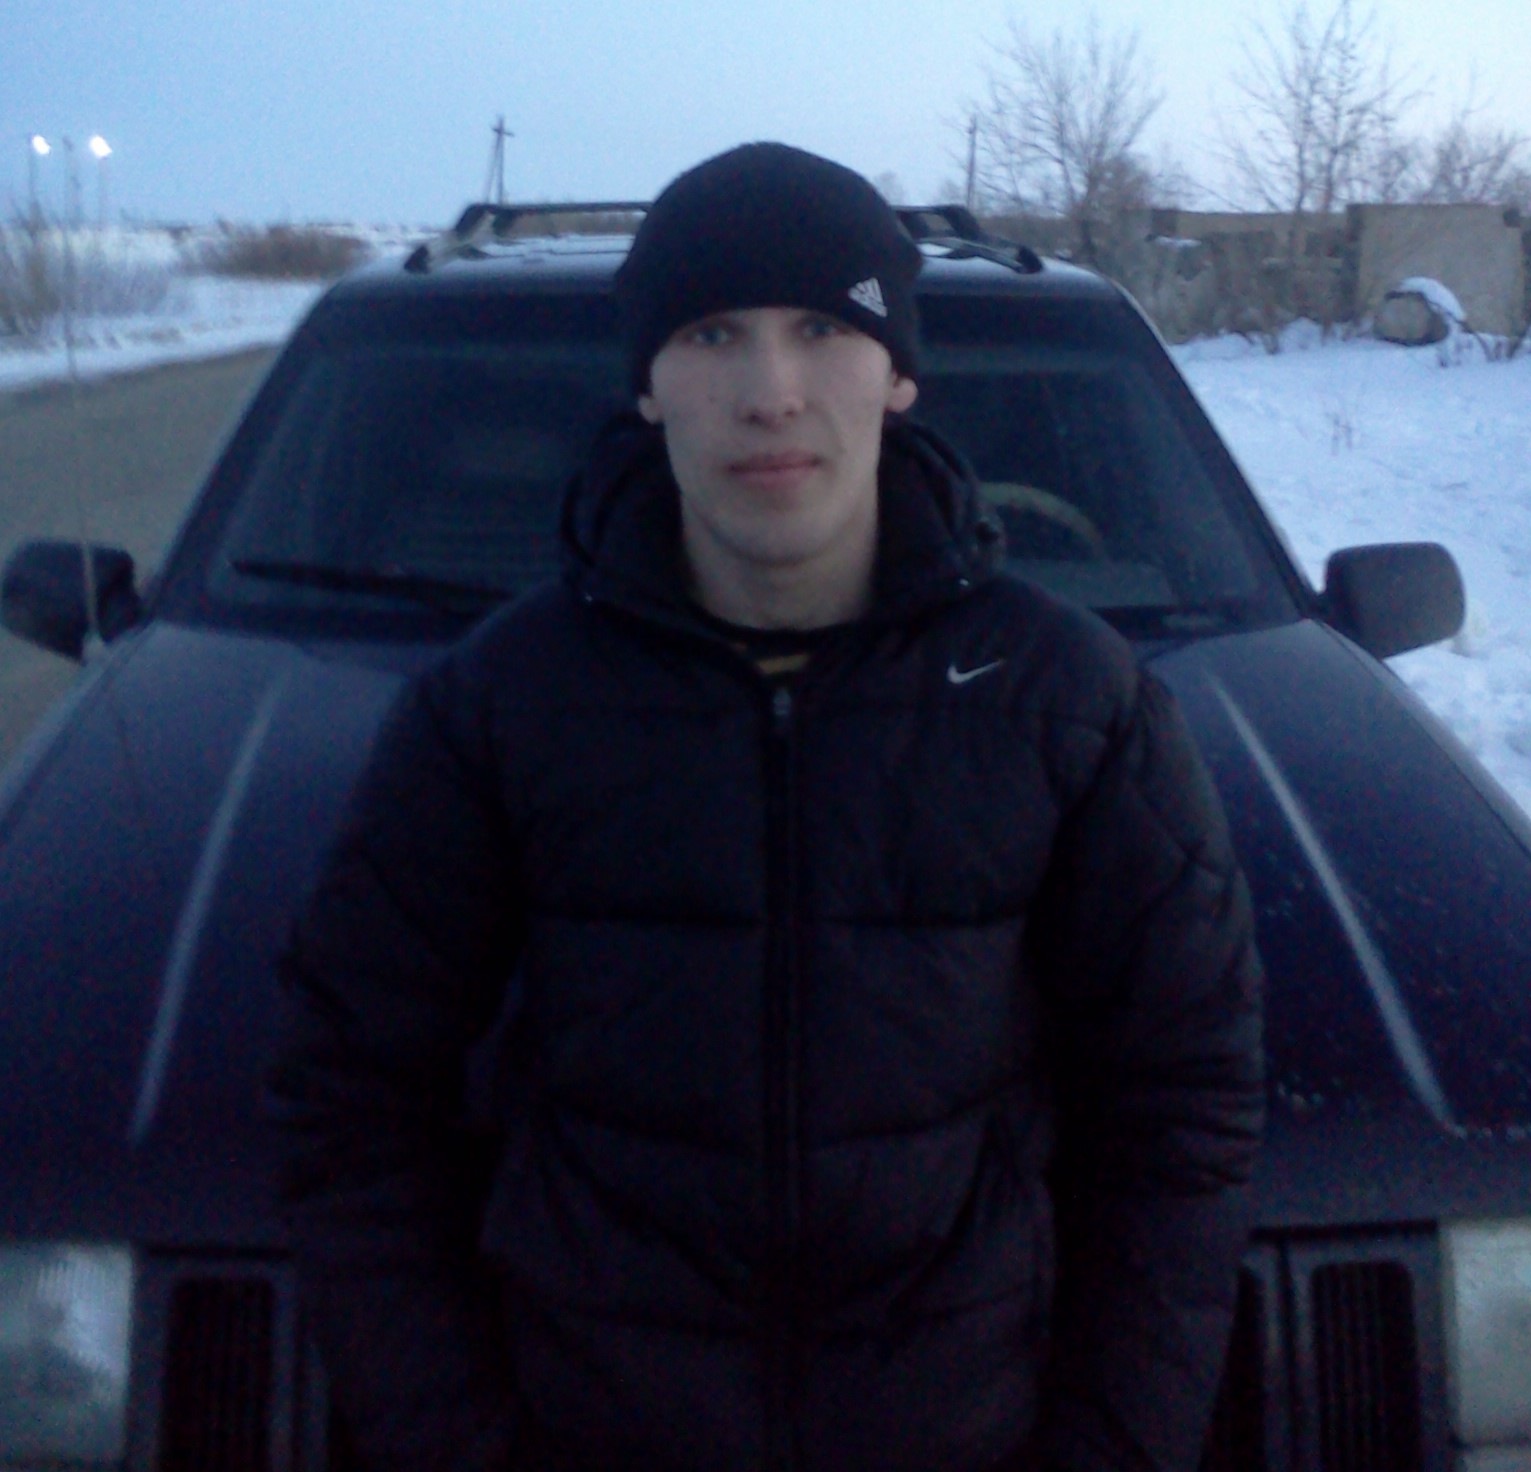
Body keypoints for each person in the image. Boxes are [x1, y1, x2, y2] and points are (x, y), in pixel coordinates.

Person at [269, 142, 1265, 1472]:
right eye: (711, 333)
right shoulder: (498, 708)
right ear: (647, 383)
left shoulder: (1071, 702)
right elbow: (349, 1098)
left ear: (898, 371)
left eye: (822, 328)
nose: (770, 392)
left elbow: (1181, 1113)